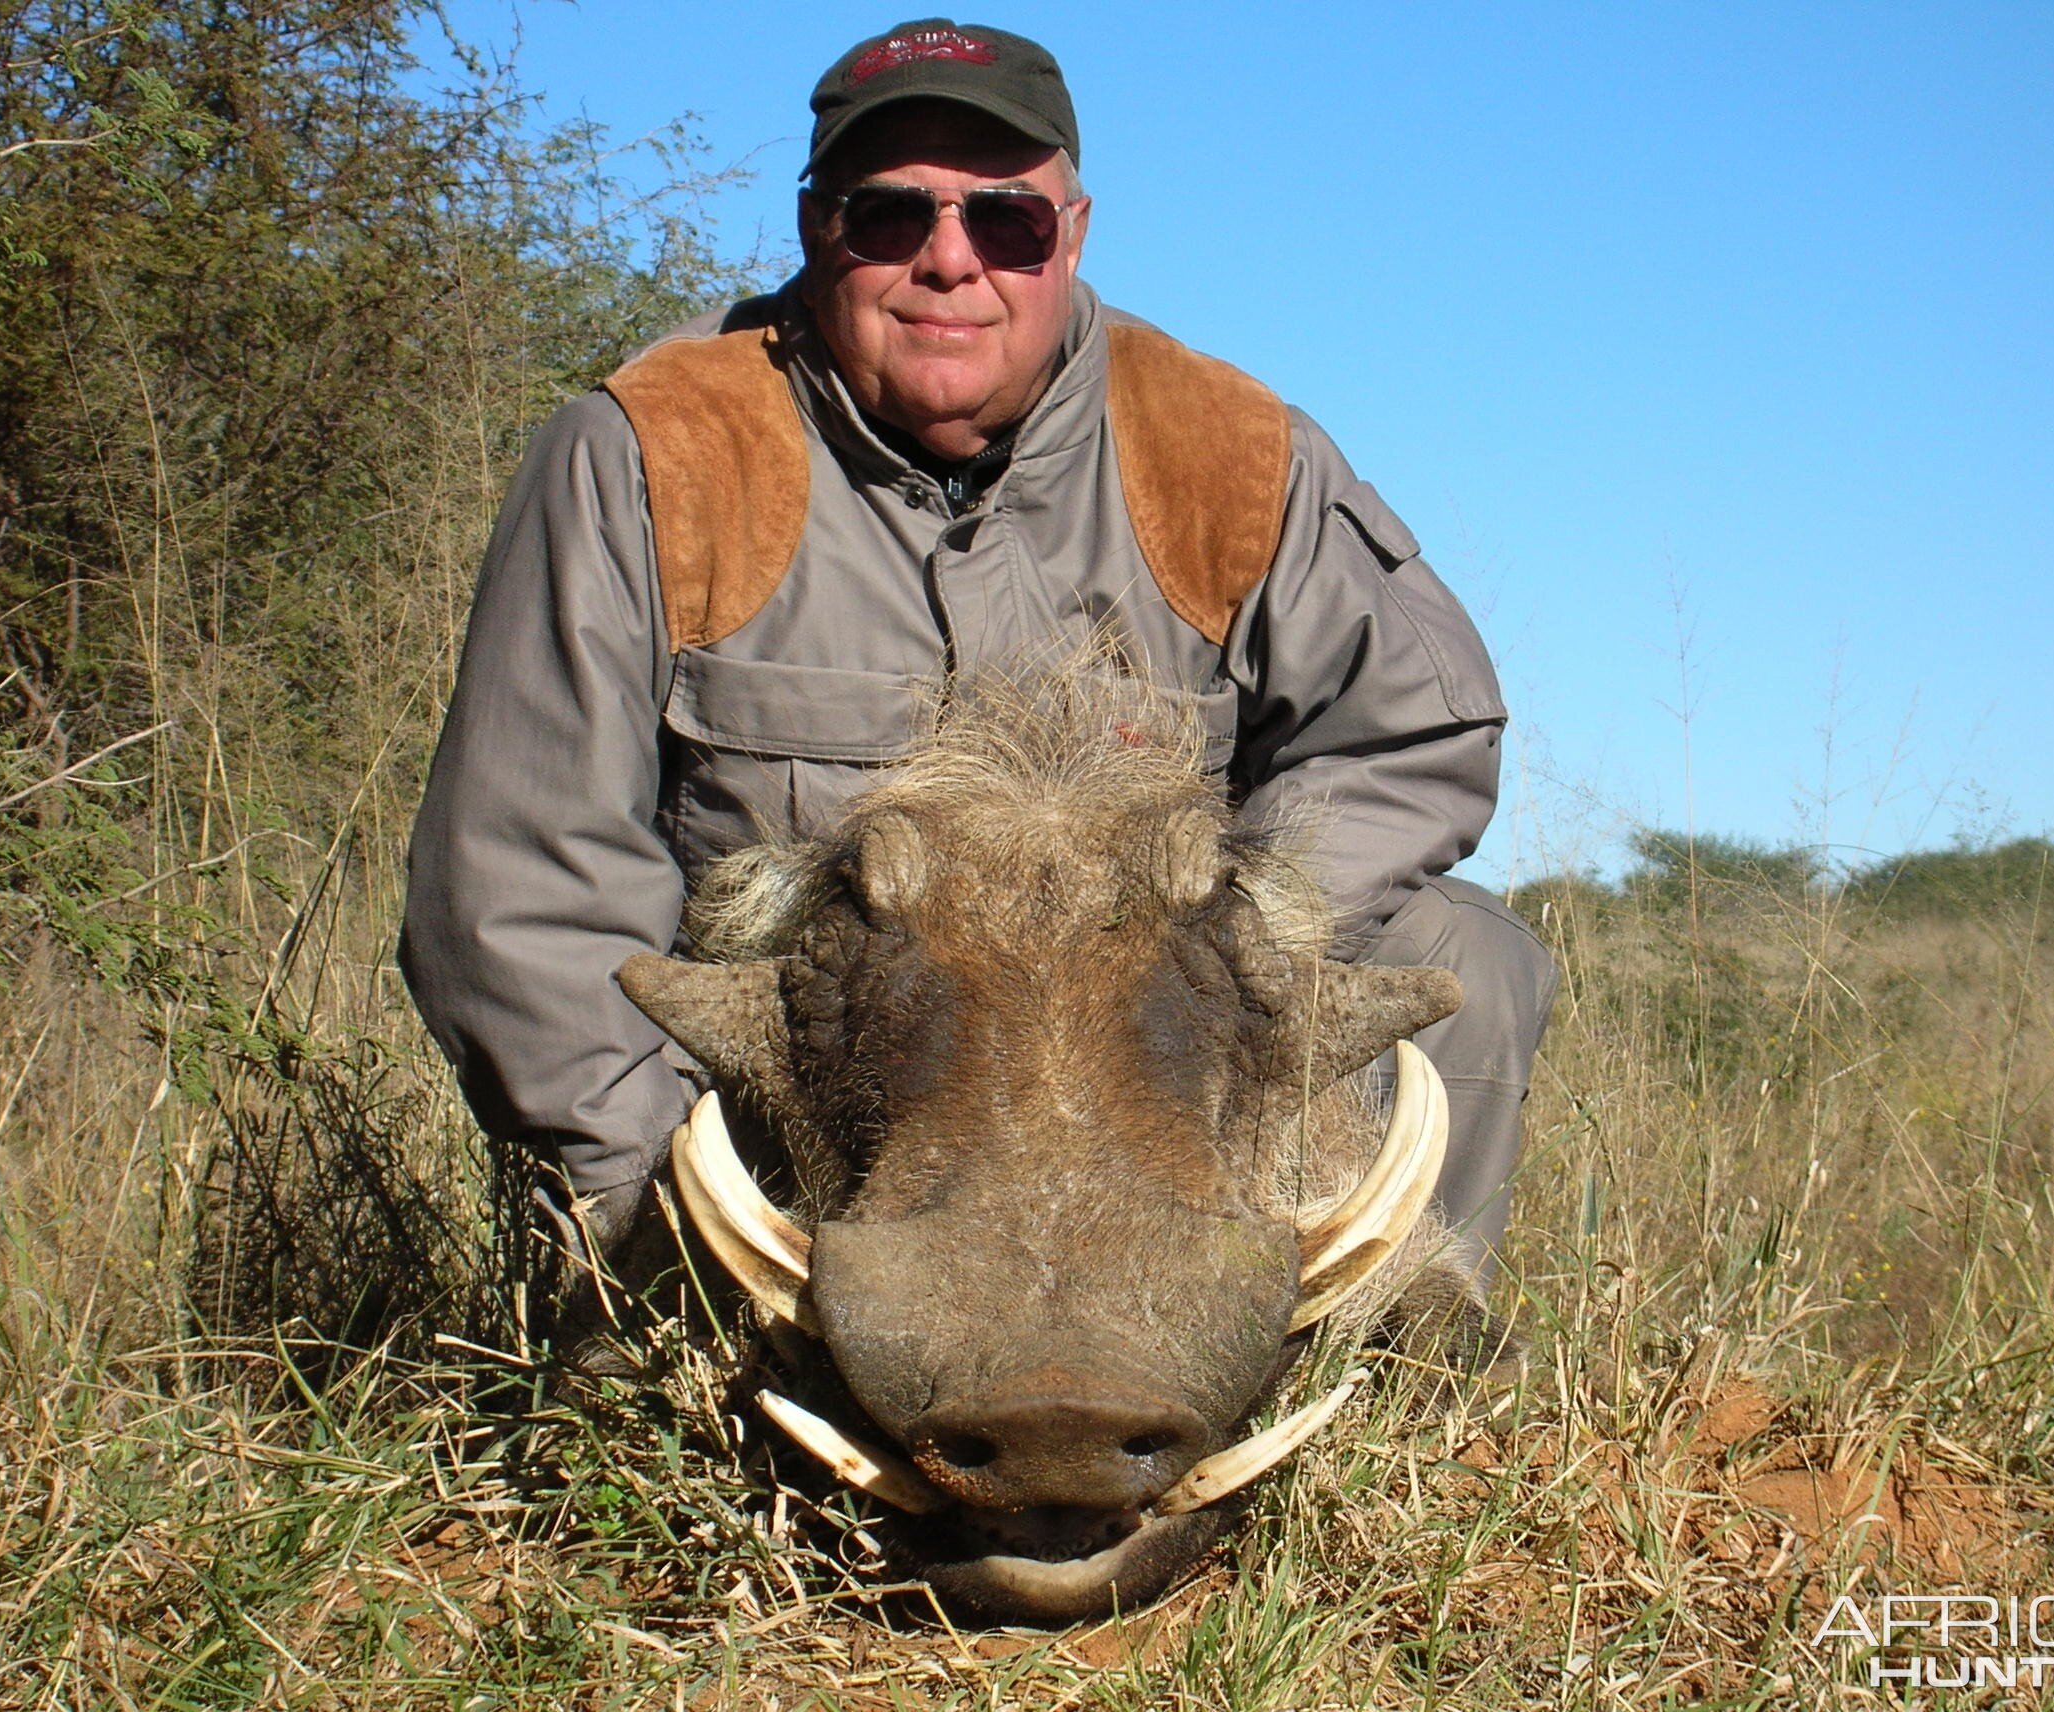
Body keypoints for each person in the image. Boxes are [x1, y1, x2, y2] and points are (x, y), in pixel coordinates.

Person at [400, 18, 1557, 1357]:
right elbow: (521, 884)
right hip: (818, 1122)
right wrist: (651, 1235)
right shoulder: (649, 455)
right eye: (890, 216)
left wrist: (1224, 941)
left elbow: (1416, 732)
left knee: (1462, 950)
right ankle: (686, 1378)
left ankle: (1364, 1398)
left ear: (1071, 234)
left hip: (1163, 1092)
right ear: (816, 227)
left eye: (1004, 222)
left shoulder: (1230, 453)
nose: (949, 259)